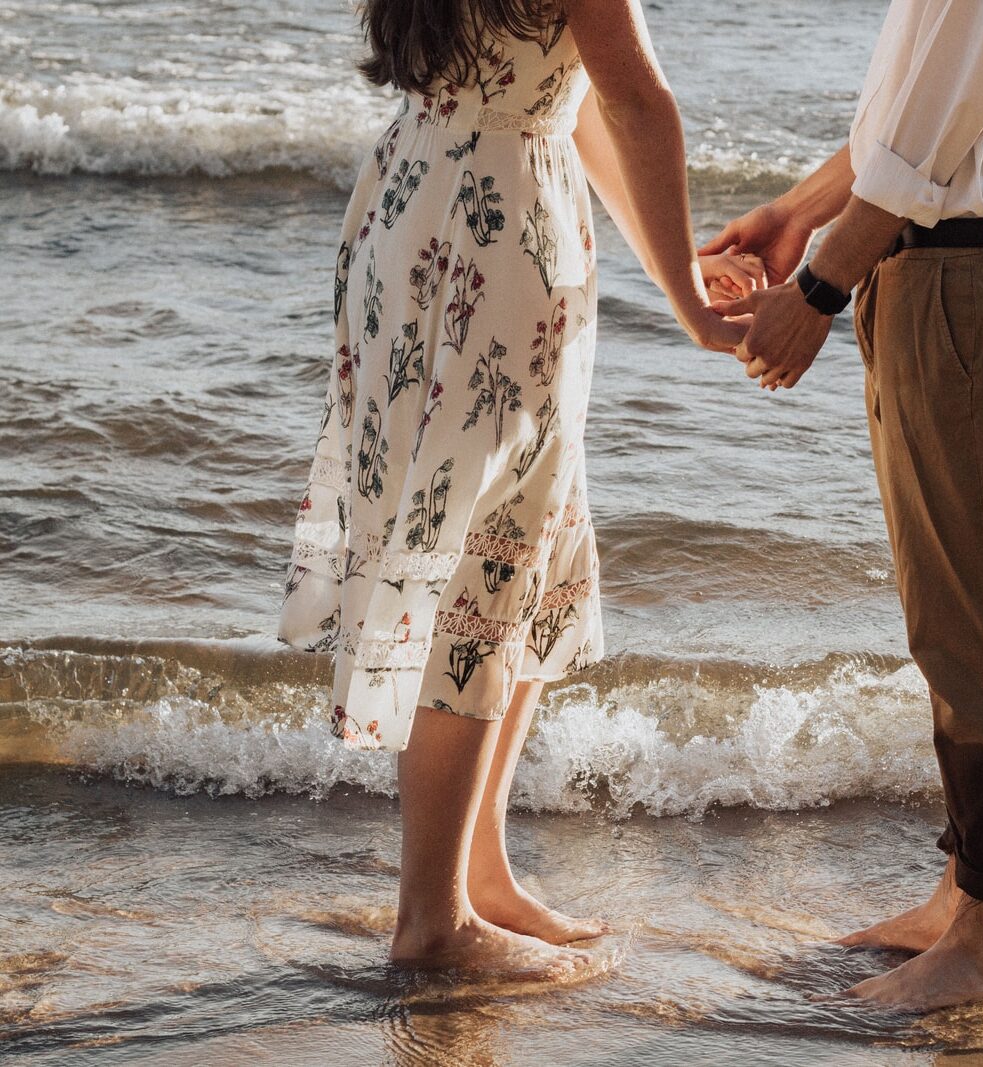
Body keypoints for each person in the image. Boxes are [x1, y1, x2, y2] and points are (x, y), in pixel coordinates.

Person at [277, 0, 751, 977]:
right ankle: (432, 920)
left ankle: (475, 871)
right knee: (481, 556)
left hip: (419, 195)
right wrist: (696, 308)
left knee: (516, 536)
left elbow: (574, 100)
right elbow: (637, 102)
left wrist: (676, 275)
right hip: (496, 238)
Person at [705, 0, 983, 1012]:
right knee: (949, 612)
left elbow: (931, 128)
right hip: (948, 262)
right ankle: (964, 894)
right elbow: (921, 114)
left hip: (965, 272)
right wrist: (800, 210)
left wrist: (817, 285)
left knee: (975, 620)